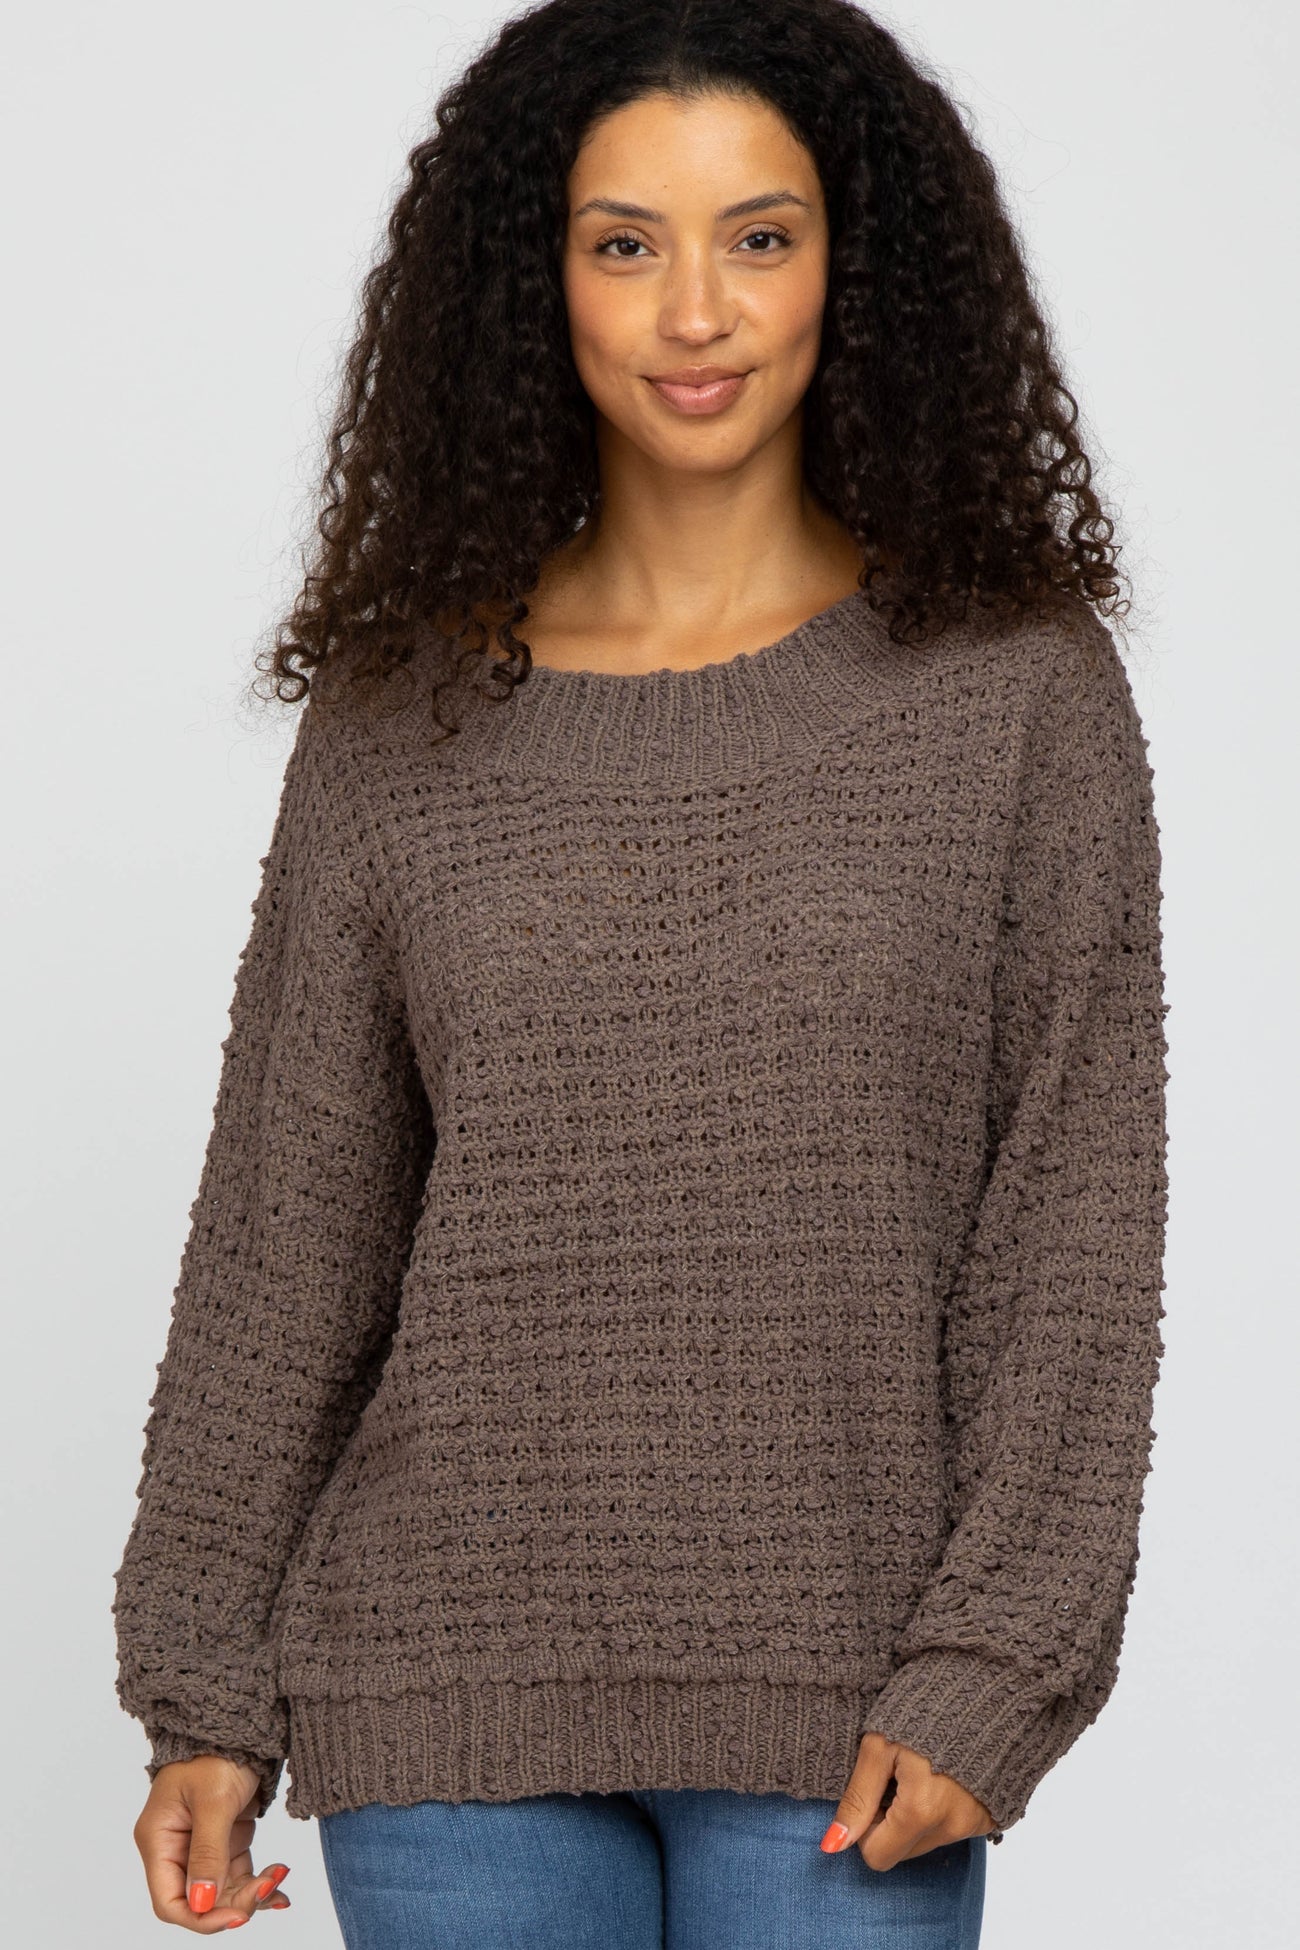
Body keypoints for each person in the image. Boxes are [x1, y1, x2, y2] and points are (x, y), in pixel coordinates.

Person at [111, 1, 1170, 1944]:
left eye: (759, 236)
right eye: (624, 242)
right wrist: (204, 1686)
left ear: (856, 265)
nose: (695, 310)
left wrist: (999, 1660)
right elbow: (291, 1219)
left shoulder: (1010, 687)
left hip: (851, 1706)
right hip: (440, 1689)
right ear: (535, 281)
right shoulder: (400, 711)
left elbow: (1071, 1219)